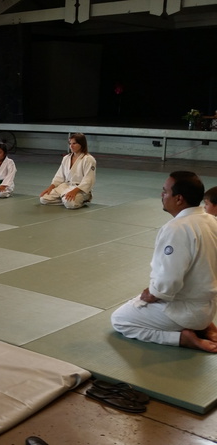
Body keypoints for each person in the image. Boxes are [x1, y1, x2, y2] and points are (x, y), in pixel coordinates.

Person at [111, 171, 217, 352]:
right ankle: (204, 327)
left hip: (184, 312)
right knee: (140, 300)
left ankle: (181, 338)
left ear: (179, 199)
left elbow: (170, 281)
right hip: (207, 308)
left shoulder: (177, 228)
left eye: (165, 192)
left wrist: (153, 294)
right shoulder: (212, 221)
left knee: (119, 319)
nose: (162, 195)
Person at [39, 133, 96, 209]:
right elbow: (59, 176)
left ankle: (80, 200)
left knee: (70, 204)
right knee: (44, 199)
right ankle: (65, 199)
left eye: (74, 143)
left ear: (81, 144)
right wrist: (51, 187)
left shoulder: (88, 159)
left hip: (80, 189)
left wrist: (74, 191)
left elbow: (88, 180)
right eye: (70, 143)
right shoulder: (66, 158)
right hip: (66, 186)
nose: (71, 146)